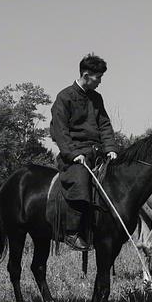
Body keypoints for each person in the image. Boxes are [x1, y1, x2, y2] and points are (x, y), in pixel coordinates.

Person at [49, 54, 119, 251]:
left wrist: (111, 149)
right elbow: (60, 131)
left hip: (97, 153)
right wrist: (73, 154)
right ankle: (72, 232)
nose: (100, 82)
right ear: (86, 75)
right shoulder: (64, 97)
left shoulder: (97, 98)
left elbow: (105, 125)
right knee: (80, 180)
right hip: (74, 156)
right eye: (98, 78)